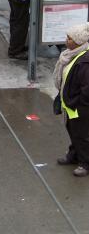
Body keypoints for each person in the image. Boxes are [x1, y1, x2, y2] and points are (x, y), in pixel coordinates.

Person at [54, 23, 89, 177]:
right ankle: (73, 156)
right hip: (70, 103)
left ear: (79, 42)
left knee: (82, 135)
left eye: (70, 38)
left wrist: (76, 102)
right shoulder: (72, 54)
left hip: (79, 106)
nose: (66, 40)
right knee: (73, 131)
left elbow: (86, 88)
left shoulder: (85, 61)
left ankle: (85, 164)